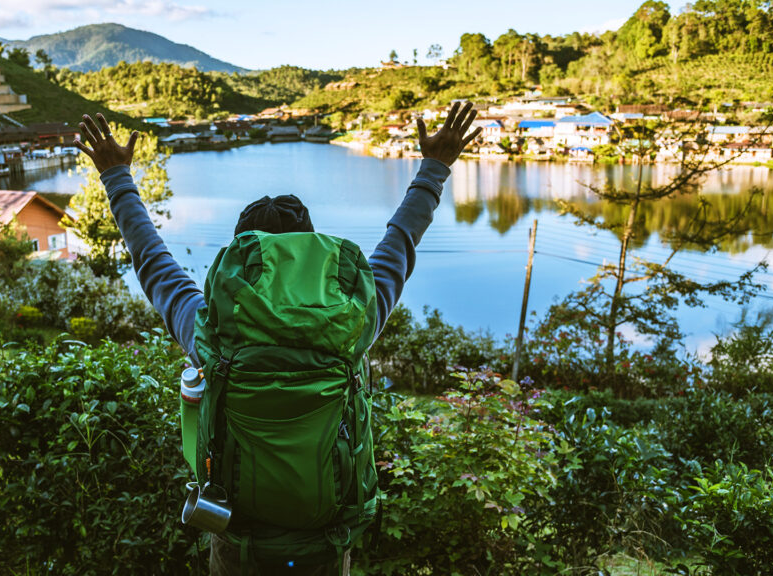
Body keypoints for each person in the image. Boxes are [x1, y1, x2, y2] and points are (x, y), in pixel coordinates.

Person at [74, 102, 480, 575]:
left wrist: (116, 176)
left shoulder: (212, 331)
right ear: (312, 253)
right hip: (324, 545)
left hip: (238, 542)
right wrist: (434, 168)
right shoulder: (350, 322)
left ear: (238, 256)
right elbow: (398, 247)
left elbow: (152, 261)